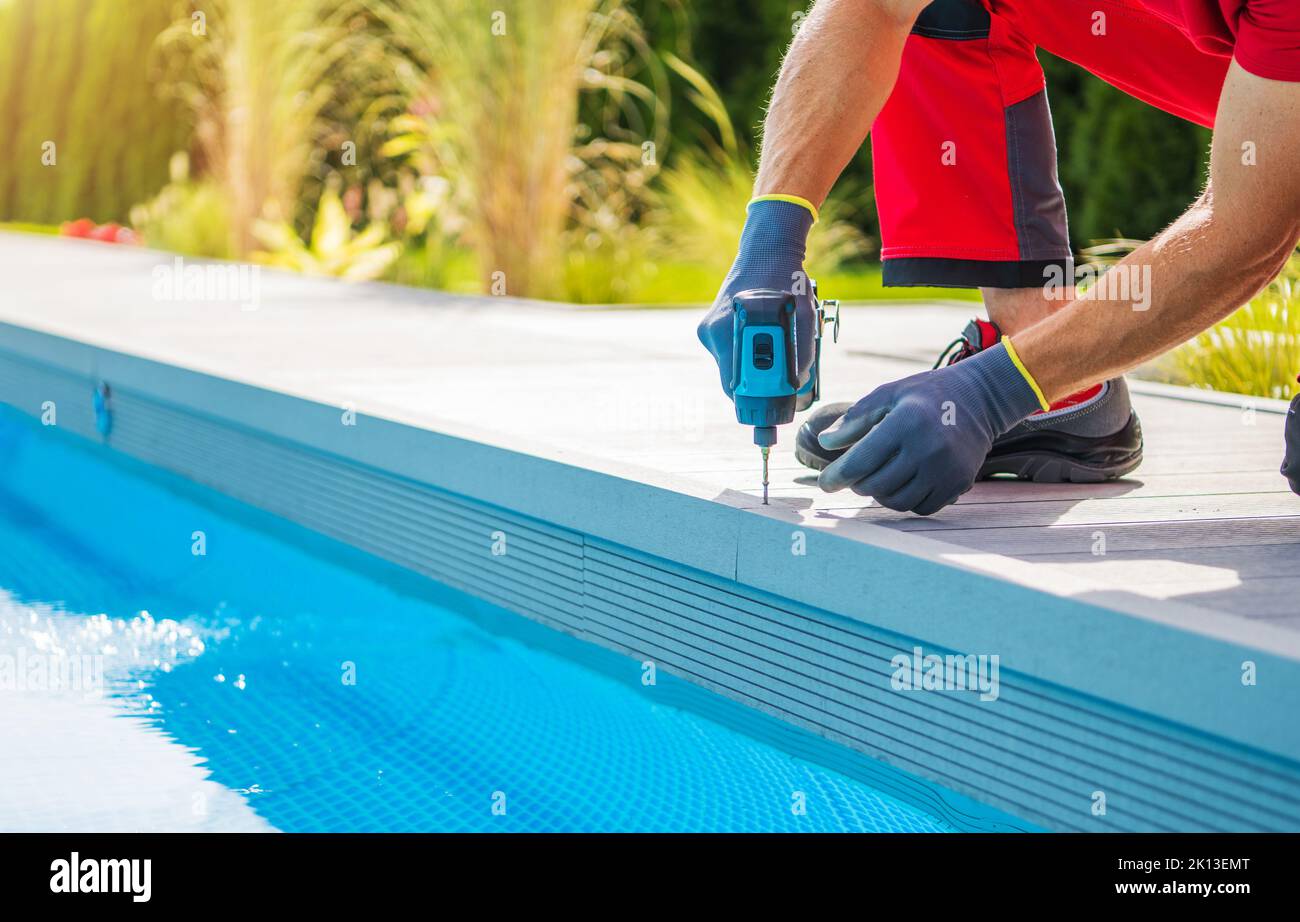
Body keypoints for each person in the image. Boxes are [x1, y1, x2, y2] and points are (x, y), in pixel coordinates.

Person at [698, 0, 1300, 515]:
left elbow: (1249, 230)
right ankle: (1058, 387)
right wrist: (769, 241)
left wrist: (991, 392)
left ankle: (1033, 377)